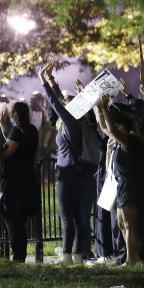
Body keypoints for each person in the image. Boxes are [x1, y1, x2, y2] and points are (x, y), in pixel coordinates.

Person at [40, 63, 98, 265]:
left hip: (68, 174)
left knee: (68, 217)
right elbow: (55, 111)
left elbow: (55, 106)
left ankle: (67, 255)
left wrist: (44, 81)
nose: (64, 103)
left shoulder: (71, 123)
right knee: (81, 217)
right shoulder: (86, 123)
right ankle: (78, 255)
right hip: (84, 173)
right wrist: (54, 82)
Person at [0, 101, 40, 262]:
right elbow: (13, 139)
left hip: (15, 182)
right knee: (18, 219)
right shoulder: (31, 130)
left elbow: (6, 153)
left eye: (11, 112)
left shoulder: (17, 131)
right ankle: (19, 255)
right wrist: (2, 126)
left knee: (13, 219)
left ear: (16, 114)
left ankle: (18, 256)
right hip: (27, 180)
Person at [95, 96, 144, 265]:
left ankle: (132, 259)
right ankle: (133, 257)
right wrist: (99, 108)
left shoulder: (129, 138)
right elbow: (104, 127)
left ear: (120, 124)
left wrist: (105, 109)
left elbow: (110, 128)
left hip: (131, 185)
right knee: (122, 223)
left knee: (129, 223)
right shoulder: (119, 138)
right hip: (122, 185)